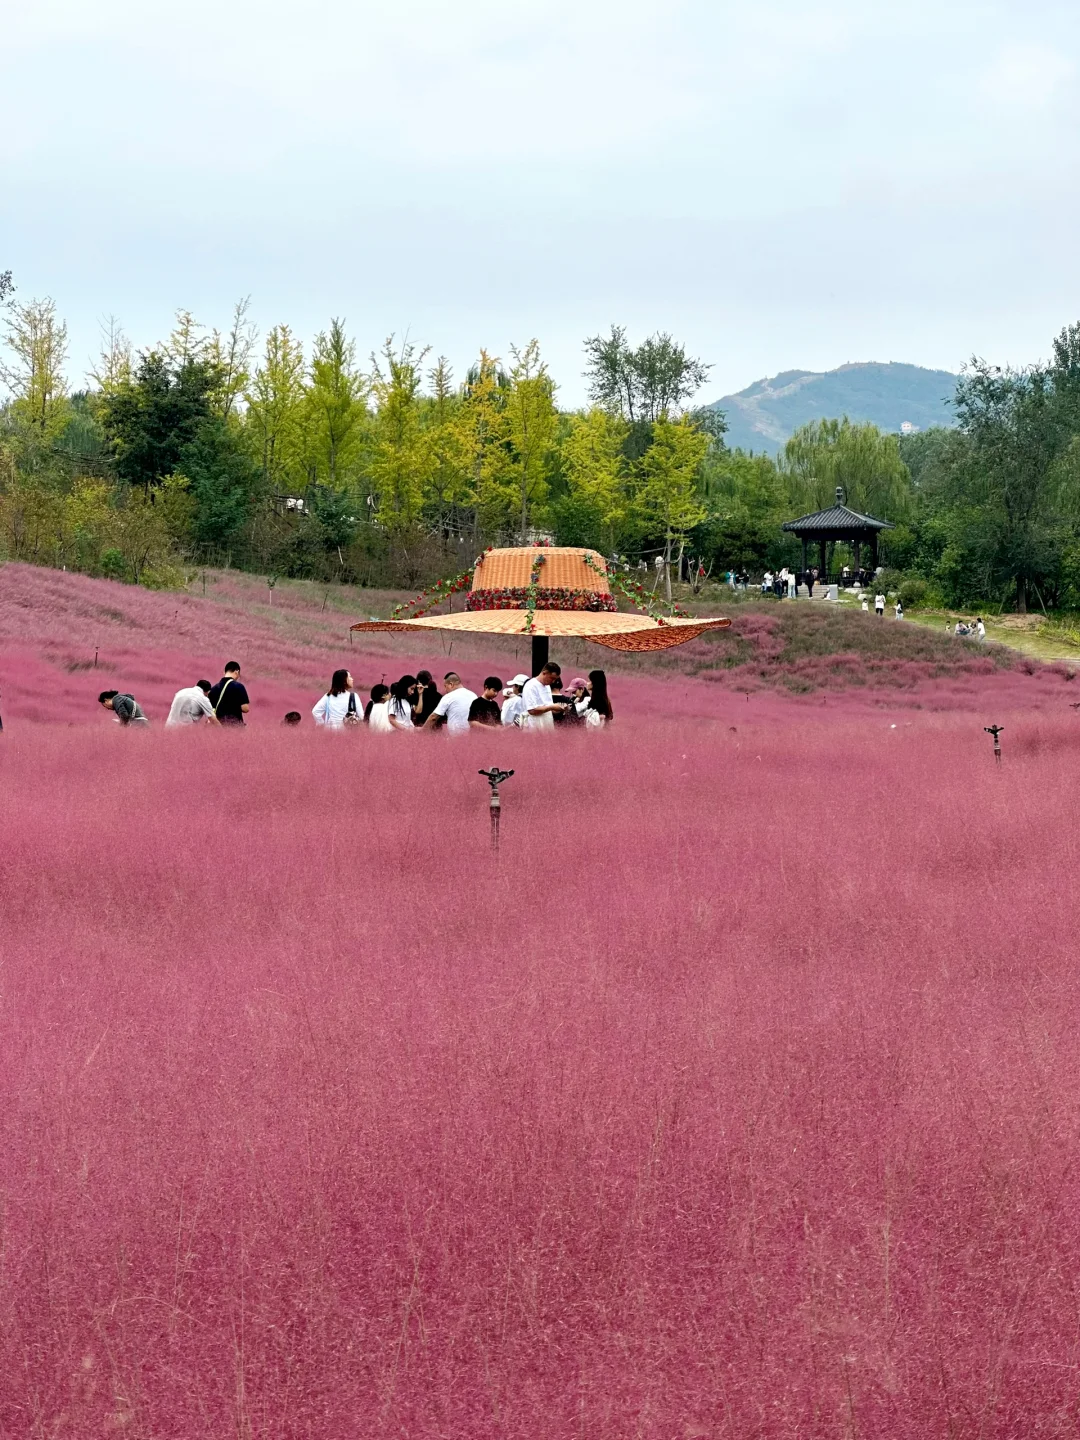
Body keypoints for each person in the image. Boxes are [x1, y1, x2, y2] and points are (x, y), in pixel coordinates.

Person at [521, 662, 566, 731]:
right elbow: (532, 710)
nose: (553, 681)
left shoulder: (547, 686)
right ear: (544, 673)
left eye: (555, 679)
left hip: (546, 723)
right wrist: (552, 707)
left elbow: (546, 705)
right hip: (534, 725)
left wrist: (557, 709)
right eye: (552, 678)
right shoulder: (531, 686)